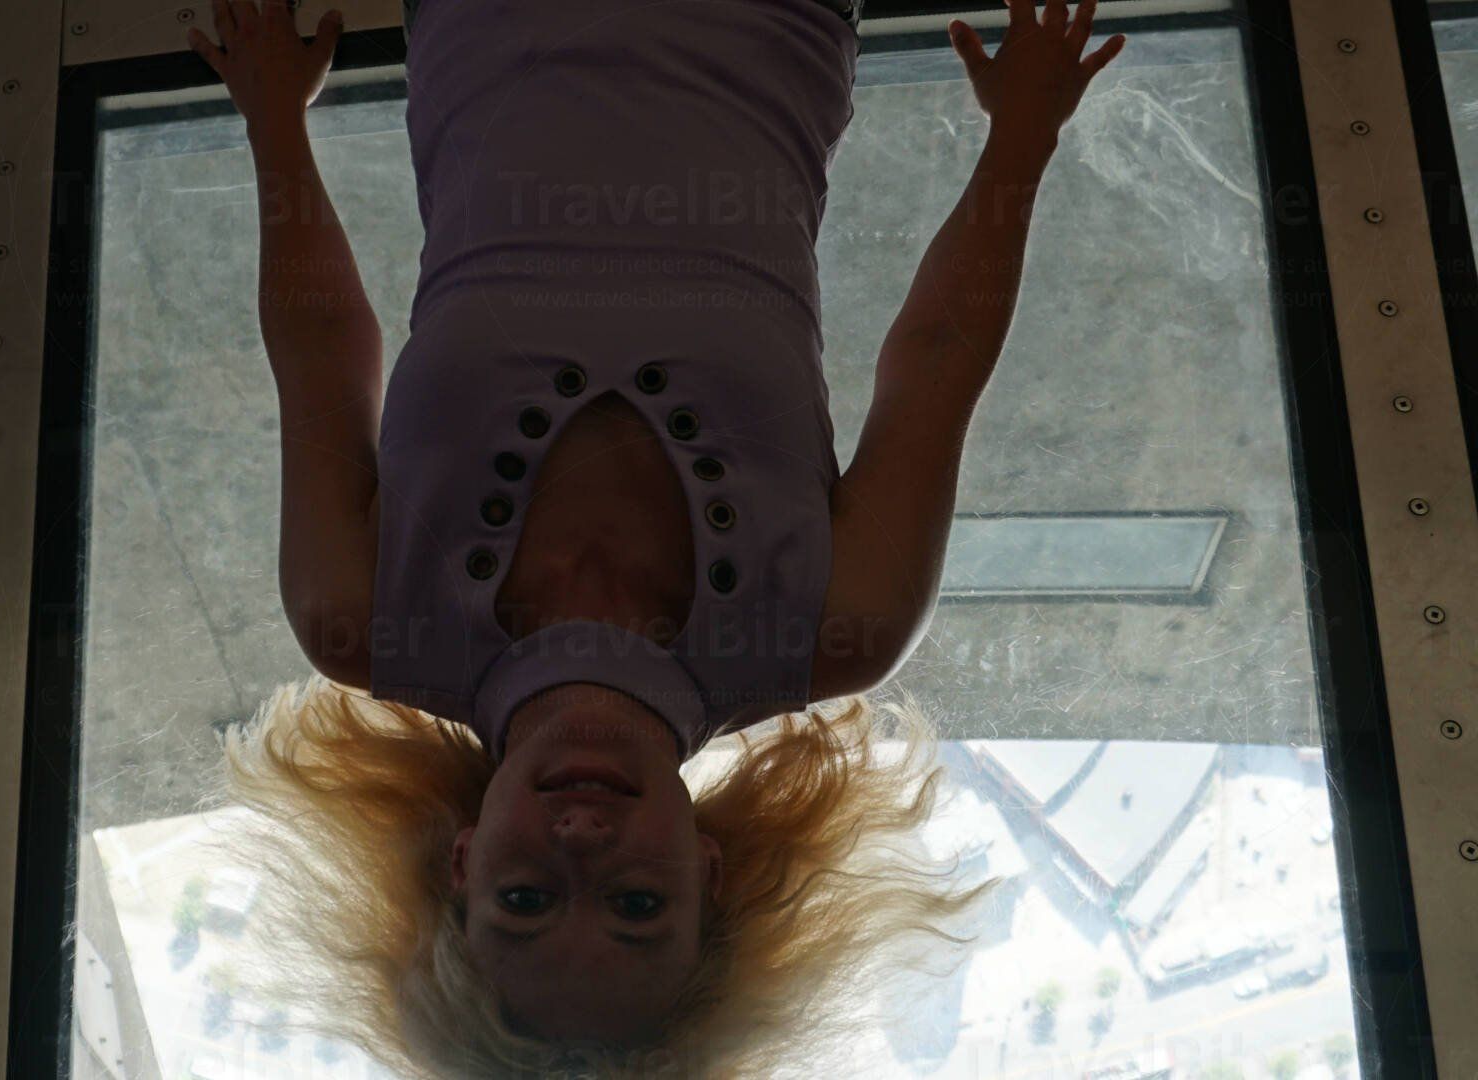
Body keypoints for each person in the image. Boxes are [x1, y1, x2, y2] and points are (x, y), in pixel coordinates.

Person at [184, 1, 1125, 1075]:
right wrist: (1022, 138)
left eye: (526, 899)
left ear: (461, 865)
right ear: (709, 877)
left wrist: (273, 119)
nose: (582, 844)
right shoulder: (837, 625)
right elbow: (939, 357)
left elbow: (318, 345)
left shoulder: (359, 613)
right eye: (635, 906)